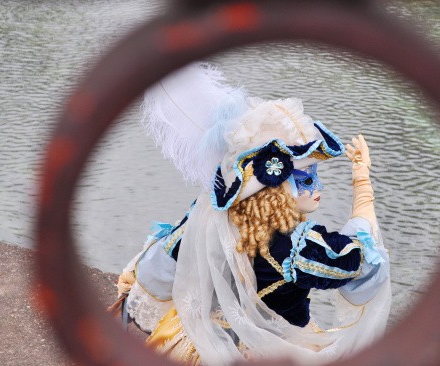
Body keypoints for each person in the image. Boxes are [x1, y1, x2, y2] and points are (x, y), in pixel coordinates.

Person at [115, 64, 391, 365]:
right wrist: (361, 181)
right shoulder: (299, 249)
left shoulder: (209, 218)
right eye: (305, 178)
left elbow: (165, 259)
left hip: (202, 347)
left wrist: (134, 286)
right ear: (274, 185)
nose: (318, 187)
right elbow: (361, 259)